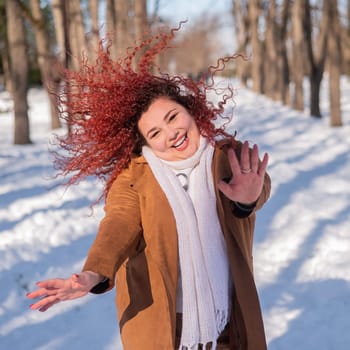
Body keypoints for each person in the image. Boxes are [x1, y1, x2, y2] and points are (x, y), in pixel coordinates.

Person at [26, 24, 271, 350]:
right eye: (155, 133)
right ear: (146, 144)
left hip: (228, 320)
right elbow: (118, 225)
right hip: (168, 325)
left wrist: (249, 199)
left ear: (190, 110)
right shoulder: (135, 177)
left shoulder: (225, 156)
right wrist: (92, 275)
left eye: (172, 117)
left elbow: (257, 182)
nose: (171, 133)